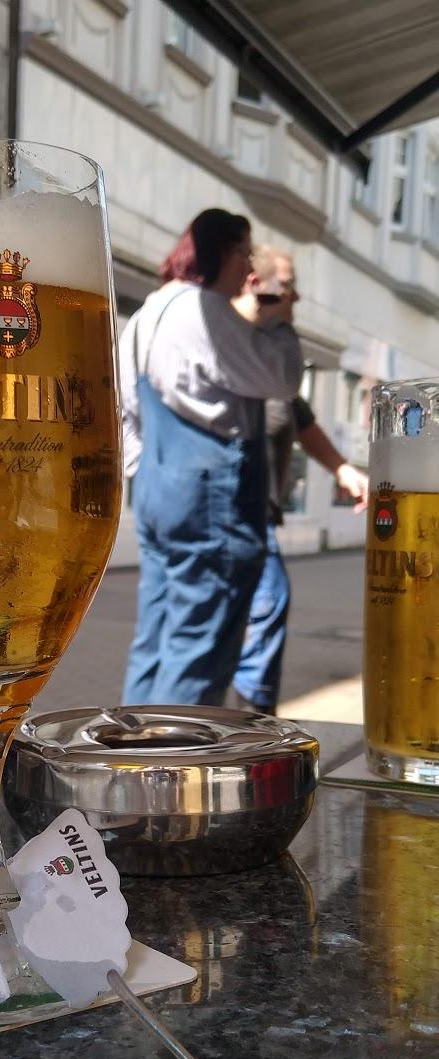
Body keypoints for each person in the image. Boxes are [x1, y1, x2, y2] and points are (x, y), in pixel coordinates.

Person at [119, 209, 303, 706]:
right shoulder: (202, 308)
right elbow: (280, 377)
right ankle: (168, 767)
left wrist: (152, 470)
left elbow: (126, 416)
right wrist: (281, 323)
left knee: (155, 640)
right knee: (200, 646)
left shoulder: (143, 317)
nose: (248, 268)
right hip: (210, 496)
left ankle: (126, 758)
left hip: (159, 492)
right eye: (245, 251)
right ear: (223, 250)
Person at [230, 246, 369, 714]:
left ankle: (248, 716)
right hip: (224, 511)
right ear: (256, 284)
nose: (297, 296)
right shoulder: (228, 342)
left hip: (257, 514)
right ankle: (249, 717)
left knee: (259, 608)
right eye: (288, 285)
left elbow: (301, 421)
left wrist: (343, 469)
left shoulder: (273, 355)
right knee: (266, 602)